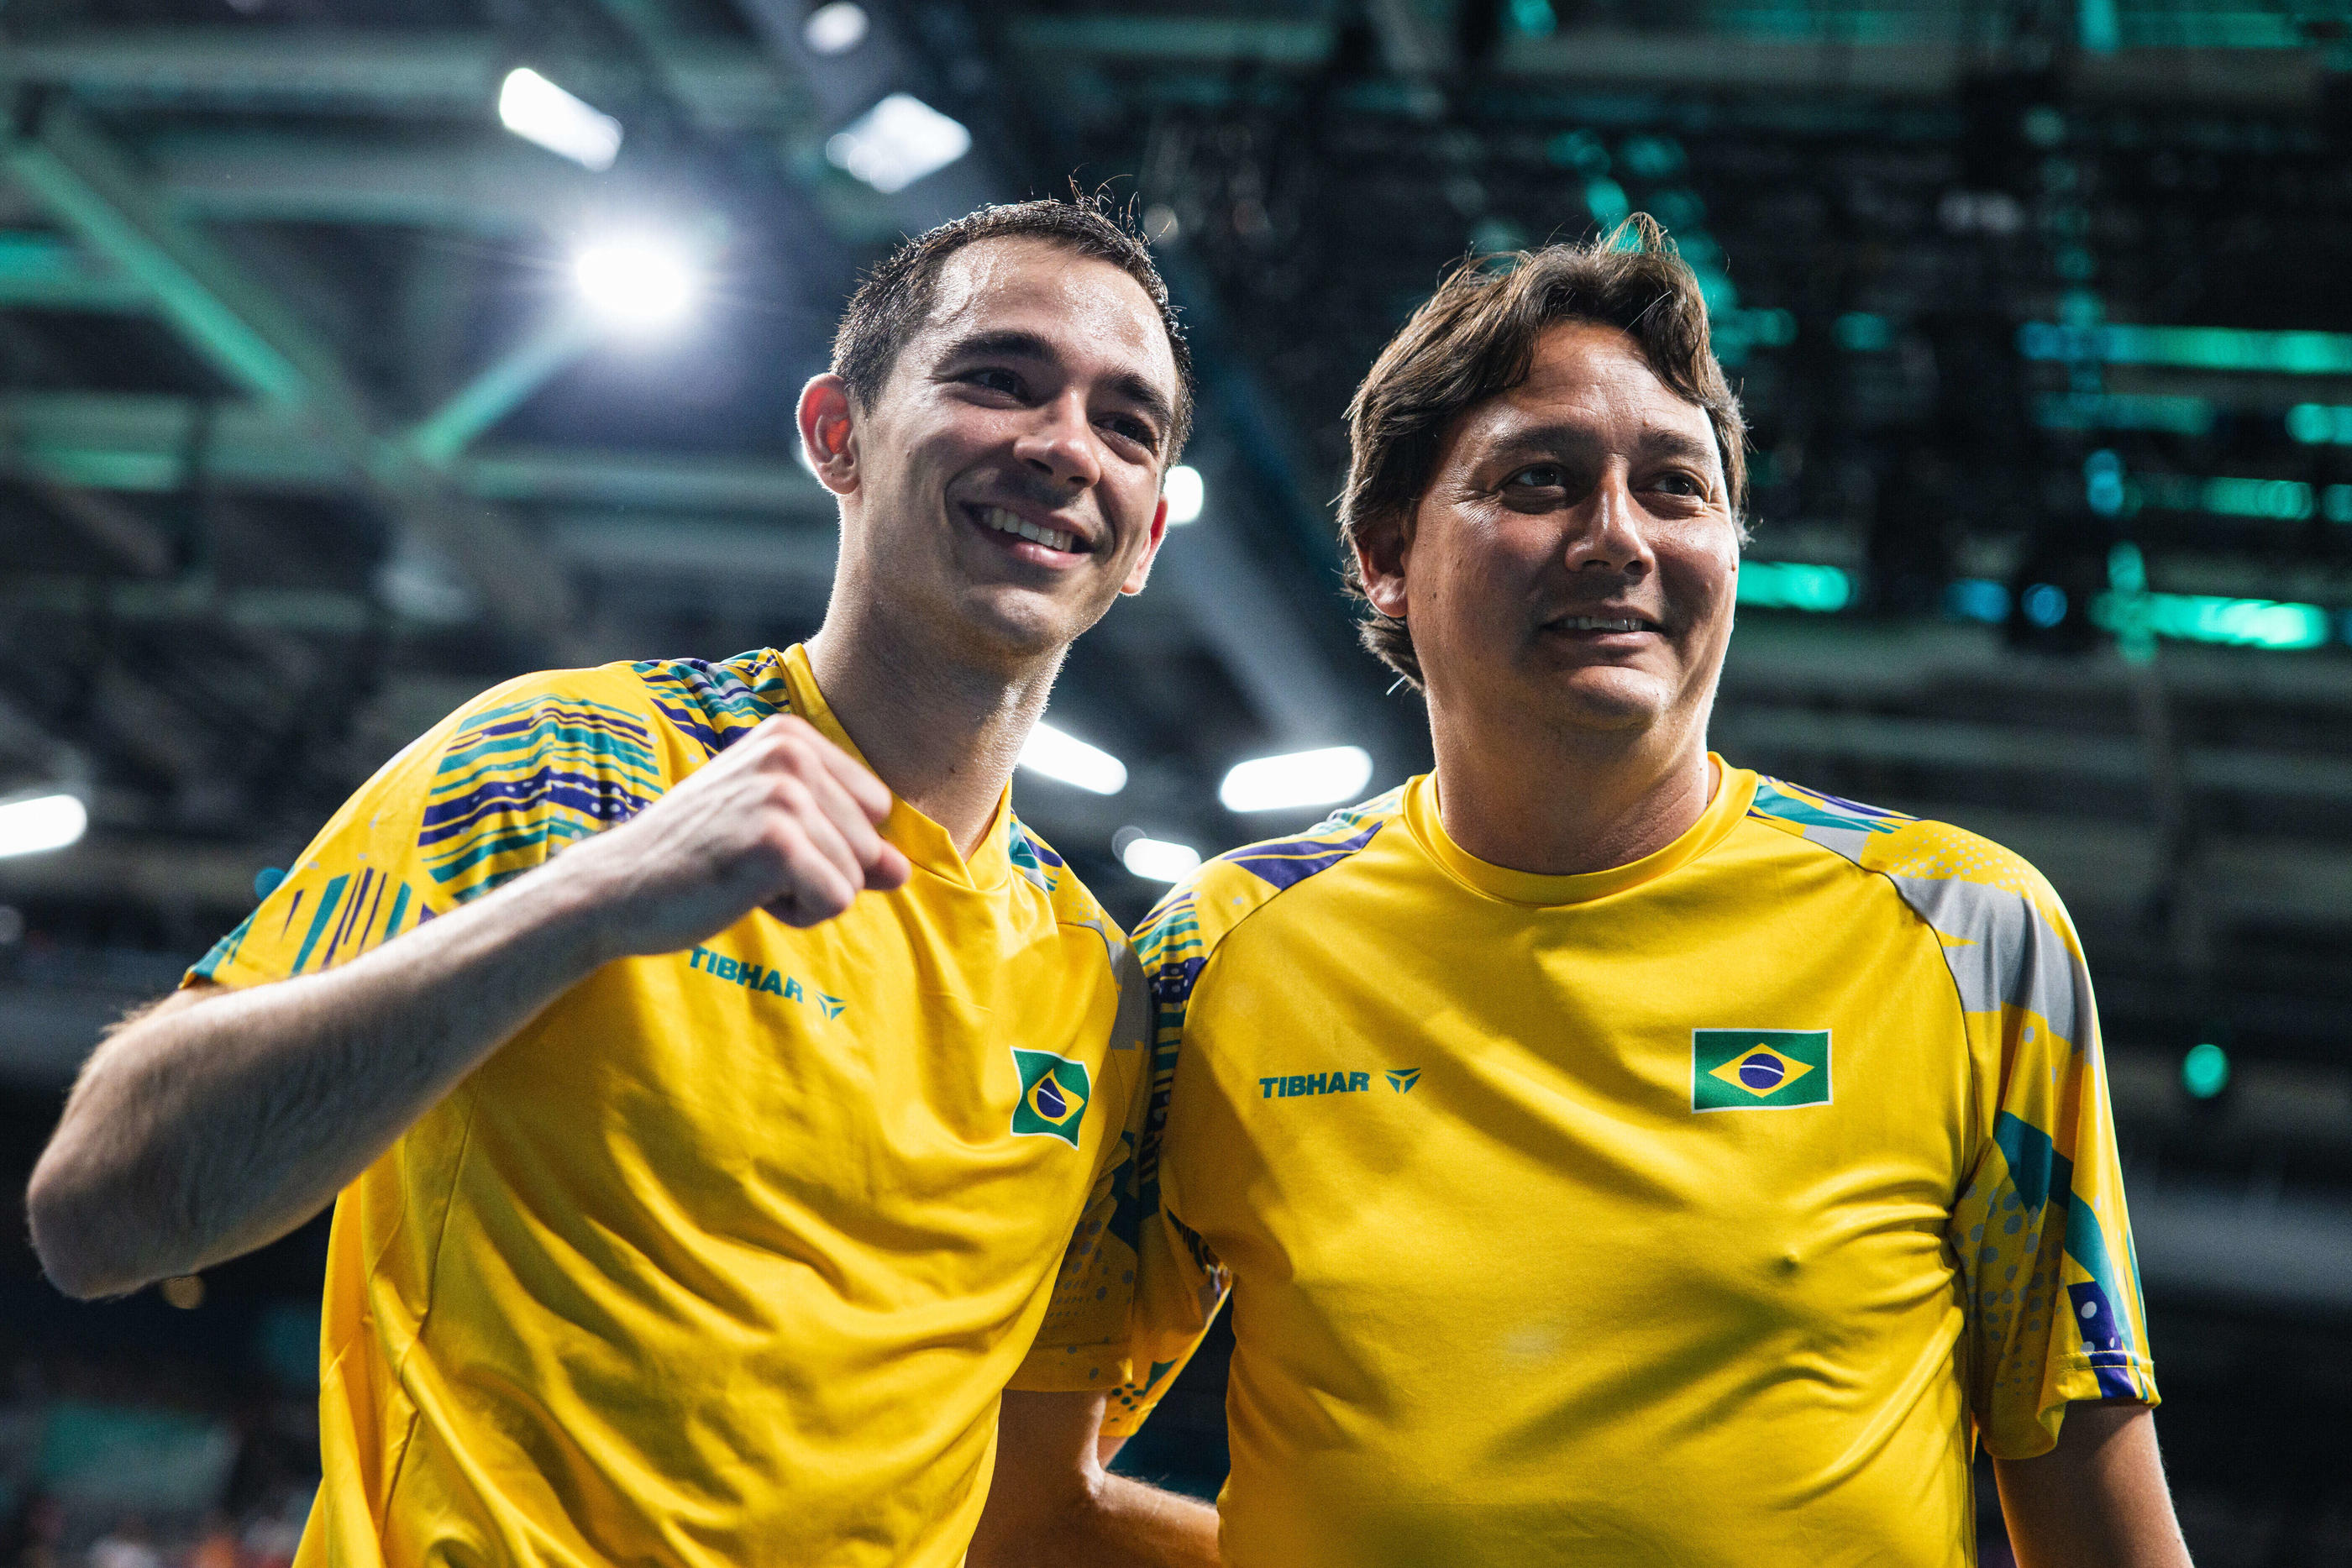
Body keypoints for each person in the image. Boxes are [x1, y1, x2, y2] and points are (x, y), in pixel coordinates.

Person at [983, 222, 2192, 1567]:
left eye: (1677, 487)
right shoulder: (1214, 954)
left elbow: (2098, 1521)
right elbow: (1026, 1496)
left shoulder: (1966, 932)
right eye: (1541, 480)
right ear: (1387, 555)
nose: (1617, 537)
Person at [28, 197, 1201, 1568]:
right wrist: (590, 899)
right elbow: (98, 1209)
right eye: (998, 379)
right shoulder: (568, 766)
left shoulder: (1095, 983)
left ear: (1149, 542)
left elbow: (1030, 1511)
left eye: (1127, 424)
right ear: (838, 435)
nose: (1065, 447)